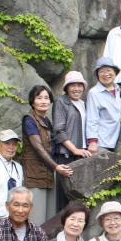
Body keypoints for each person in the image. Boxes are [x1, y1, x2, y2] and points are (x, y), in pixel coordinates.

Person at [21, 85, 73, 226]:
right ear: (32, 101)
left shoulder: (47, 121)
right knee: (36, 222)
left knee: (49, 221)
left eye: (46, 98)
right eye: (39, 98)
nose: (43, 101)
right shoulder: (29, 120)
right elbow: (38, 148)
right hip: (35, 176)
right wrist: (56, 167)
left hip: (49, 176)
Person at [53, 71, 92, 211]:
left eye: (79, 85)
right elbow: (59, 131)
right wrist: (75, 149)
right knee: (64, 199)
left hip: (81, 155)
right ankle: (61, 225)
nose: (76, 88)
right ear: (66, 88)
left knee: (80, 198)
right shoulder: (61, 102)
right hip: (66, 155)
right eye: (72, 85)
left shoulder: (84, 104)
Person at [86, 57, 121, 153]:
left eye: (108, 70)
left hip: (117, 139)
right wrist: (92, 141)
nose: (106, 74)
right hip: (102, 142)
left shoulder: (118, 89)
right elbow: (92, 118)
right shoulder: (94, 92)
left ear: (115, 72)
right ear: (97, 75)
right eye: (102, 71)